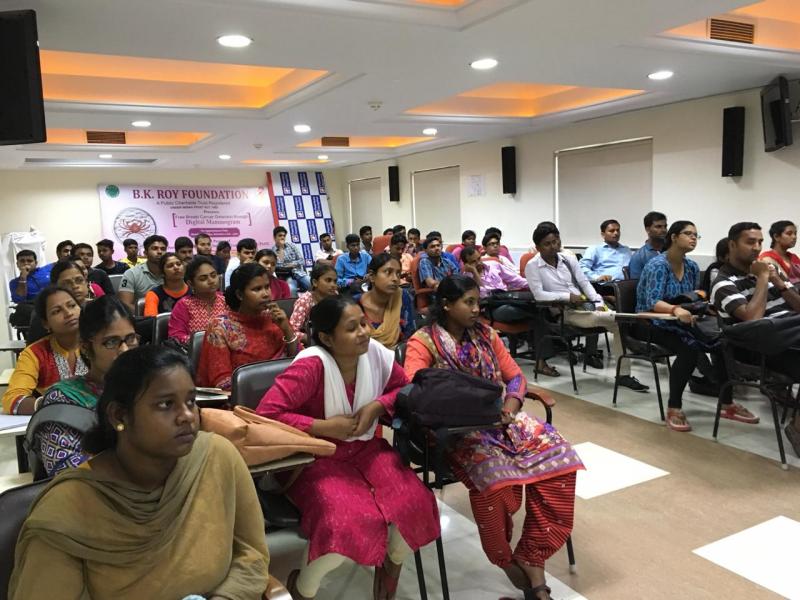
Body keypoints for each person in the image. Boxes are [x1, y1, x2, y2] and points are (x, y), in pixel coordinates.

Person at [9, 345, 270, 599]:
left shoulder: (216, 457)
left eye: (190, 401)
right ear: (119, 416)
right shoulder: (66, 510)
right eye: (166, 404)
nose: (187, 416)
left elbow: (252, 556)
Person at [404, 276, 583, 600]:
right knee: (496, 480)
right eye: (468, 302)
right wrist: (459, 403)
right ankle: (506, 559)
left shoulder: (486, 335)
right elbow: (415, 388)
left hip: (500, 419)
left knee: (562, 458)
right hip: (455, 430)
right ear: (447, 305)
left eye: (478, 302)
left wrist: (511, 406)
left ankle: (532, 556)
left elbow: (515, 377)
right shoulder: (424, 341)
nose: (477, 309)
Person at [256, 296, 440, 600]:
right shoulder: (312, 366)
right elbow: (266, 414)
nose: (364, 333)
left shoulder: (376, 355)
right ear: (327, 338)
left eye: (364, 324)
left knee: (414, 504)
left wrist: (377, 406)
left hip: (366, 449)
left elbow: (403, 388)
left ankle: (388, 575)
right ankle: (302, 589)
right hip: (316, 457)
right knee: (344, 522)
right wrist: (323, 427)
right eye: (352, 328)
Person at [638, 221, 756, 432]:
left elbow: (693, 297)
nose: (693, 238)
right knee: (689, 349)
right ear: (674, 237)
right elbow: (651, 302)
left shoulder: (691, 266)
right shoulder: (658, 265)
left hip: (683, 321)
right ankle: (674, 407)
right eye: (688, 234)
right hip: (650, 321)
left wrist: (703, 307)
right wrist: (675, 309)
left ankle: (727, 403)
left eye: (696, 235)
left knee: (723, 343)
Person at [711, 222, 800, 453]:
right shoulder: (723, 283)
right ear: (732, 245)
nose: (757, 247)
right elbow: (753, 319)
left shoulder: (770, 273)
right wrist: (762, 279)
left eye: (760, 242)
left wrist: (779, 283)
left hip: (789, 339)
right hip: (757, 350)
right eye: (750, 242)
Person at [527, 223, 648, 391]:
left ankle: (623, 375)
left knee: (617, 323)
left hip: (585, 307)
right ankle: (629, 327)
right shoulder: (533, 265)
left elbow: (584, 283)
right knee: (615, 318)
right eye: (547, 244)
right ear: (538, 247)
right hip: (564, 312)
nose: (553, 247)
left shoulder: (568, 259)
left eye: (555, 241)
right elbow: (538, 295)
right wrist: (567, 297)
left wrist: (598, 302)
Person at [33, 295, 139, 477]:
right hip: (94, 491)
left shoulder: (146, 386)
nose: (124, 350)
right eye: (111, 342)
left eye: (130, 339)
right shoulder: (63, 400)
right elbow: (66, 473)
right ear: (85, 347)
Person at [196, 262, 299, 390]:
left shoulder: (275, 318)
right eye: (257, 289)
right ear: (240, 295)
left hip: (284, 389)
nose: (266, 294)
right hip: (245, 397)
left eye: (267, 287)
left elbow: (299, 361)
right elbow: (222, 383)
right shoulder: (220, 328)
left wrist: (287, 329)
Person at [2, 287, 87, 415]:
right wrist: (49, 403)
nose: (68, 313)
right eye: (57, 311)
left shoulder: (99, 343)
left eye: (72, 305)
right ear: (46, 323)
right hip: (57, 419)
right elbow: (12, 399)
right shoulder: (35, 353)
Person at [355, 254, 415, 349]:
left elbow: (410, 335)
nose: (395, 278)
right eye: (388, 272)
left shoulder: (402, 296)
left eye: (398, 273)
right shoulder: (355, 305)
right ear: (372, 276)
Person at [168, 256, 227, 345]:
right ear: (191, 284)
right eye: (203, 279)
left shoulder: (226, 300)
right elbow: (176, 336)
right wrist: (201, 341)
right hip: (195, 351)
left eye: (213, 275)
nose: (211, 281)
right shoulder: (184, 305)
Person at [289, 263, 339, 344]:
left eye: (335, 281)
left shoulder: (335, 297)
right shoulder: (305, 301)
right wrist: (311, 339)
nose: (333, 285)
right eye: (328, 280)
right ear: (315, 282)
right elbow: (292, 331)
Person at [118, 234, 167, 312]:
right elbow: (125, 304)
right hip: (142, 317)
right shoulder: (131, 274)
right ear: (145, 253)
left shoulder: (171, 272)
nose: (160, 252)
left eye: (163, 249)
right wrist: (147, 315)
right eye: (155, 248)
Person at [461, 246, 527, 300]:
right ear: (466, 264)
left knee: (529, 300)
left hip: (506, 296)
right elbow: (483, 295)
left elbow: (515, 279)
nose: (478, 263)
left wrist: (531, 285)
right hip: (490, 304)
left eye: (479, 258)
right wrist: (474, 272)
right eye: (473, 262)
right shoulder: (466, 278)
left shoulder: (494, 265)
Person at [143, 252, 189, 316]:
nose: (176, 267)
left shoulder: (195, 291)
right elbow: (151, 320)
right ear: (162, 273)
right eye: (170, 266)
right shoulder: (153, 294)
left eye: (178, 264)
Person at [629, 211, 668, 279]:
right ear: (647, 229)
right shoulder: (639, 257)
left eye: (665, 226)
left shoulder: (672, 250)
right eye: (658, 227)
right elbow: (636, 283)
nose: (664, 230)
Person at [759, 220, 800, 284]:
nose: (794, 237)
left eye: (795, 233)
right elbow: (785, 282)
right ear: (776, 237)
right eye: (789, 234)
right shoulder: (767, 258)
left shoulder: (793, 257)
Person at [272, 226, 311, 291]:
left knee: (312, 284)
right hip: (287, 276)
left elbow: (302, 260)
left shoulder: (291, 245)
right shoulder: (273, 251)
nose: (282, 237)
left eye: (284, 236)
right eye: (280, 235)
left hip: (299, 272)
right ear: (274, 237)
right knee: (291, 289)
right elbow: (279, 266)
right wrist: (281, 248)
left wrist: (292, 264)